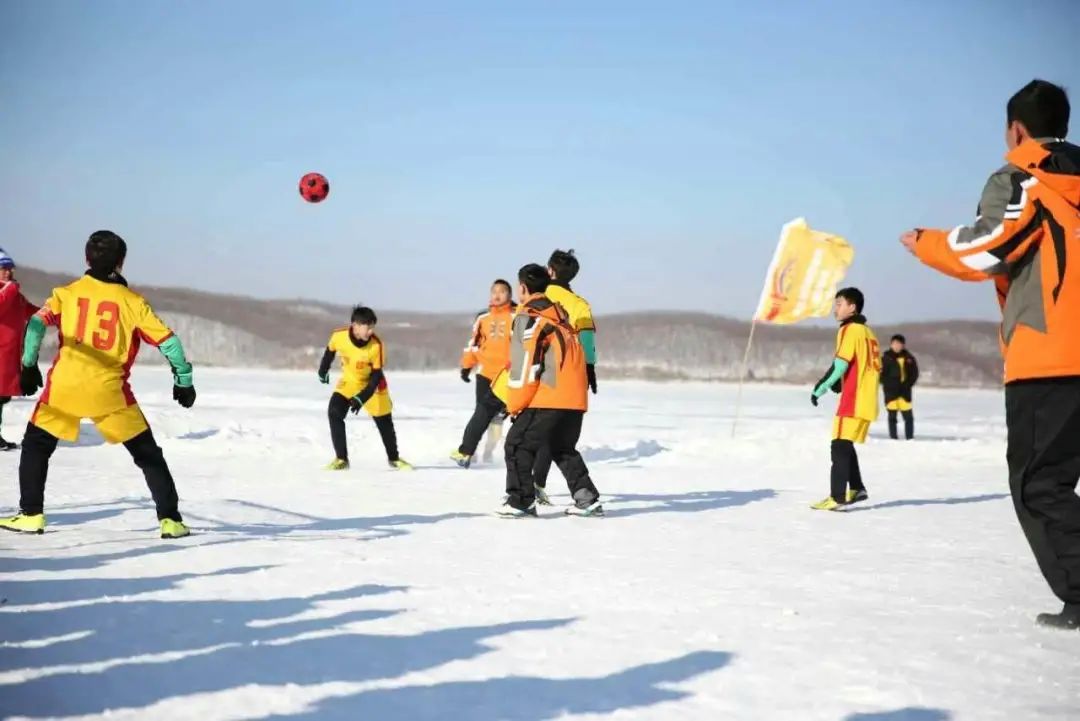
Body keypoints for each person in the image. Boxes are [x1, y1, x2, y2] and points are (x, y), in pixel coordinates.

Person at [901, 79, 1080, 630]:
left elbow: (988, 246)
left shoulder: (1025, 178)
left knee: (1039, 485)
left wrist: (926, 241)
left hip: (1051, 358)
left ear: (1016, 130)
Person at [0, 231, 195, 538]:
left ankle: (31, 514)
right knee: (148, 455)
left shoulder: (66, 293)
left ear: (86, 259)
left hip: (64, 389)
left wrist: (28, 365)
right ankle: (171, 520)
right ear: (121, 262)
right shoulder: (133, 302)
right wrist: (184, 380)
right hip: (111, 393)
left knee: (37, 446)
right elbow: (169, 343)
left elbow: (36, 323)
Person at [499, 264, 602, 518]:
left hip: (548, 397)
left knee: (517, 445)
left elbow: (524, 367)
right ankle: (586, 500)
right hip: (574, 400)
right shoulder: (562, 319)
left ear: (522, 288)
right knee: (562, 447)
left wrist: (514, 404)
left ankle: (521, 502)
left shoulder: (528, 318)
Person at [531, 249, 598, 505]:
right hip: (573, 376)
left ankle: (530, 487)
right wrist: (589, 368)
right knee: (559, 436)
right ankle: (539, 484)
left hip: (544, 371)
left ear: (550, 271)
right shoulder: (579, 304)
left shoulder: (540, 296)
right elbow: (587, 340)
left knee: (538, 432)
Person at [809, 287, 881, 511]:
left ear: (852, 307)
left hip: (854, 399)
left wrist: (821, 387)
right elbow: (858, 363)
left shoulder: (849, 329)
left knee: (839, 445)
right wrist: (840, 382)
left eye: (839, 304)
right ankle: (857, 488)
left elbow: (840, 364)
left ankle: (837, 496)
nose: (835, 309)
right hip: (867, 399)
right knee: (845, 443)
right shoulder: (868, 332)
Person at [318, 306, 412, 471]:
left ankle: (394, 458)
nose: (371, 331)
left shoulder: (376, 346)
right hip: (349, 381)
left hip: (372, 385)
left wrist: (361, 398)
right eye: (368, 327)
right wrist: (323, 369)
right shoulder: (339, 336)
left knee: (384, 421)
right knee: (334, 412)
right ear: (355, 325)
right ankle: (341, 459)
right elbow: (330, 351)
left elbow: (376, 377)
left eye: (372, 327)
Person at [450, 279, 516, 468]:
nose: (497, 295)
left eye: (502, 291)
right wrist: (466, 366)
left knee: (497, 418)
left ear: (510, 295)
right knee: (481, 414)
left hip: (506, 375)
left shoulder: (516, 316)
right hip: (485, 373)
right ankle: (471, 453)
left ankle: (489, 452)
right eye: (494, 291)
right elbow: (474, 343)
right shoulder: (483, 318)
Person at [0, 248, 39, 450]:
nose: (8, 272)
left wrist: (55, 314)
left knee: (1, 397)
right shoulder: (8, 291)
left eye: (10, 269)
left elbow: (32, 312)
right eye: (3, 268)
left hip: (9, 356)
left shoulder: (14, 293)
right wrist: (10, 288)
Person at [881, 334, 919, 440]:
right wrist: (889, 384)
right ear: (891, 344)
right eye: (894, 344)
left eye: (899, 344)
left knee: (908, 417)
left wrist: (908, 384)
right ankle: (893, 438)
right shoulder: (885, 358)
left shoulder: (909, 358)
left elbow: (914, 374)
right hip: (891, 392)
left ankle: (910, 438)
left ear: (903, 345)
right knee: (892, 417)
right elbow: (880, 375)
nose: (896, 346)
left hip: (904, 392)